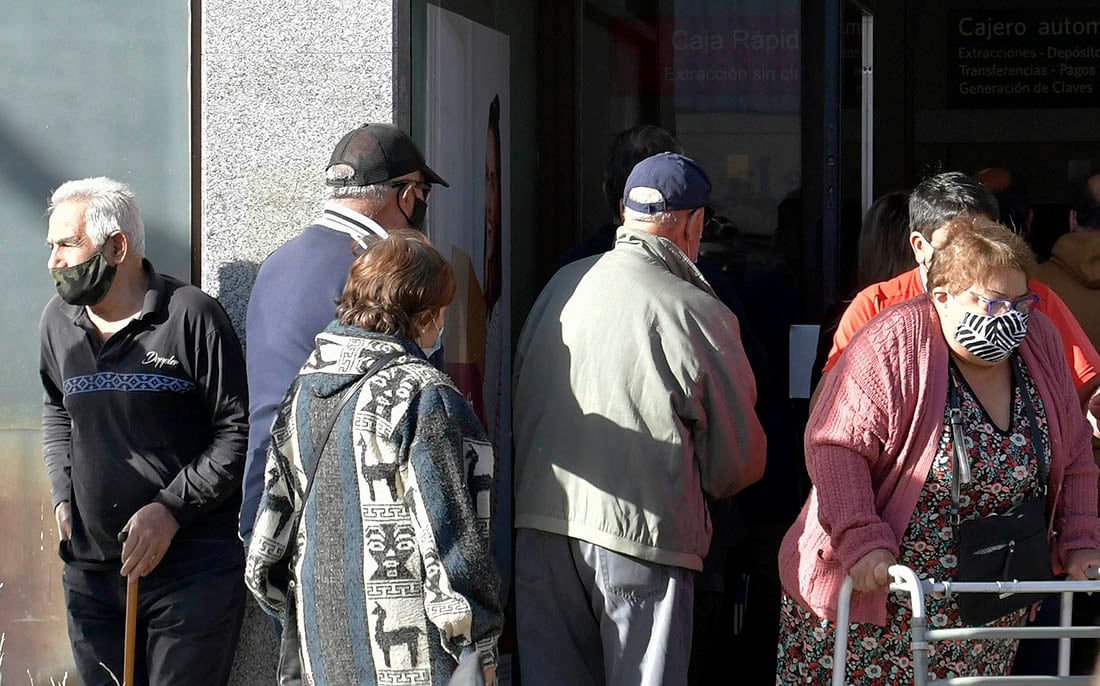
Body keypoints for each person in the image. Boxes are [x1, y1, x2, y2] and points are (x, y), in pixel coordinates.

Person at [777, 217, 1100, 683]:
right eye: (991, 302)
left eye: (1020, 302)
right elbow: (834, 446)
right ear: (943, 296)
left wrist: (1080, 539)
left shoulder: (1040, 340)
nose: (1009, 317)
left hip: (986, 612)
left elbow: (1075, 456)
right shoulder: (892, 342)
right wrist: (863, 539)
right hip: (886, 606)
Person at [513, 152, 767, 686]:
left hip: (540, 529)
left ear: (627, 214)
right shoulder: (696, 309)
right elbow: (736, 464)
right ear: (694, 223)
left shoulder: (559, 288)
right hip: (643, 540)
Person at [245, 230, 502, 685]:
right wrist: (477, 645)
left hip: (321, 645)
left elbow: (271, 528)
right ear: (423, 316)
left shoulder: (303, 388)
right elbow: (450, 534)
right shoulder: (423, 393)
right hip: (412, 655)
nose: (442, 323)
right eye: (441, 310)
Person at [40, 177, 248, 685]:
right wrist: (63, 495)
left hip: (189, 574)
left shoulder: (191, 316)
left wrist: (171, 510)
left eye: (68, 244)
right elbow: (56, 409)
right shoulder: (57, 322)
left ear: (118, 247)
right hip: (91, 575)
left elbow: (237, 431)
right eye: (51, 246)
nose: (54, 261)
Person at [241, 123, 447, 545]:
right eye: (424, 193)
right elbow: (418, 403)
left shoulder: (276, 263)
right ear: (406, 194)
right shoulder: (378, 274)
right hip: (351, 519)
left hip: (272, 506)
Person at [820, 171, 1100, 408]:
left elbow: (1085, 391)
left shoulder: (1029, 299)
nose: (973, 252)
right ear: (919, 246)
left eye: (984, 237)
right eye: (956, 242)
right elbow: (828, 409)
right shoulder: (877, 305)